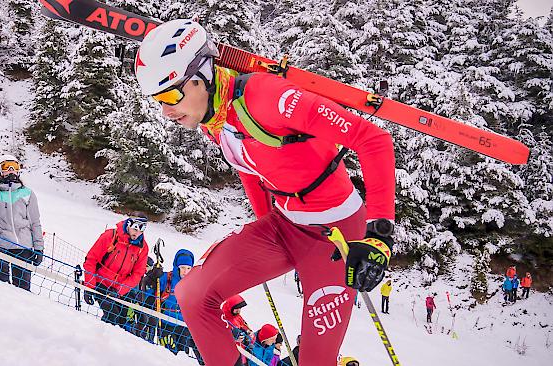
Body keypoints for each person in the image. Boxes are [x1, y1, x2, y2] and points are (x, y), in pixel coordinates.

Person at [135, 19, 396, 366]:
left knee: (315, 362)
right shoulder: (213, 115)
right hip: (284, 225)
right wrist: (262, 230)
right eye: (157, 100)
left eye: (170, 95)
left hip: (335, 236)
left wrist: (378, 234)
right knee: (192, 295)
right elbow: (248, 168)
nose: (166, 111)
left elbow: (373, 140)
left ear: (202, 75)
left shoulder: (268, 98)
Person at [0, 155, 44, 291]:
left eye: (14, 167)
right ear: (0, 171)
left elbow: (35, 223)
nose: (11, 170)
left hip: (23, 247)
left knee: (22, 290)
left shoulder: (27, 194)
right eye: (6, 167)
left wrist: (38, 248)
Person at [82, 214, 150, 328]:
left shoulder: (142, 247)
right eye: (135, 229)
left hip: (121, 287)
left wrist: (120, 290)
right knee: (112, 316)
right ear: (129, 225)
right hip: (101, 281)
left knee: (122, 320)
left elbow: (138, 274)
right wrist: (89, 286)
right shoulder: (110, 236)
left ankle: (110, 341)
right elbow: (91, 260)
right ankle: (99, 339)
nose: (136, 234)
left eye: (140, 231)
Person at [149, 249, 204, 364]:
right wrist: (153, 277)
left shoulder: (194, 282)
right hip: (165, 324)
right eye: (182, 267)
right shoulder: (166, 278)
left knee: (182, 357)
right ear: (177, 266)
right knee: (169, 356)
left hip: (184, 326)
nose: (185, 271)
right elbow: (151, 291)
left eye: (189, 268)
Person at [222, 294, 254, 364]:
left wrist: (248, 332)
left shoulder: (237, 316)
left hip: (241, 350)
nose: (239, 310)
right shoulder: (223, 318)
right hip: (231, 353)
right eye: (237, 308)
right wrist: (233, 339)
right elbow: (221, 336)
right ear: (230, 308)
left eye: (240, 308)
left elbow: (244, 326)